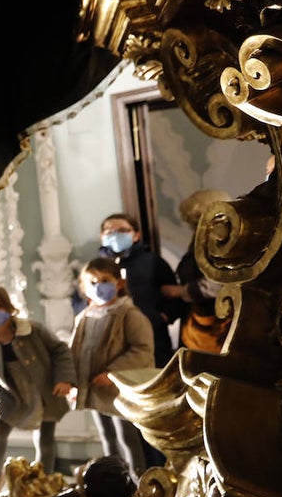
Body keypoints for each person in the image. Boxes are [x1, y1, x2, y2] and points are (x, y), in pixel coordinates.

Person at [0, 285, 75, 489]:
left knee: (45, 437)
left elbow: (60, 350)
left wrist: (64, 379)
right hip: (13, 396)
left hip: (44, 391)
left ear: (7, 307)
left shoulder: (32, 330)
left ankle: (42, 481)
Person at [70, 257, 155, 477]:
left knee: (126, 437)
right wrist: (73, 383)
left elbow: (142, 350)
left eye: (105, 280)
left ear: (118, 283)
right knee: (106, 436)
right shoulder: (84, 317)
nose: (99, 286)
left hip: (119, 390)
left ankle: (138, 484)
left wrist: (113, 373)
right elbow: (75, 352)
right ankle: (115, 482)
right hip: (95, 389)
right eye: (93, 282)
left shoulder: (129, 315)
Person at [97, 212, 185, 369]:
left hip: (153, 337)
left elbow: (174, 295)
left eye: (122, 231)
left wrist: (162, 317)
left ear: (136, 235)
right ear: (101, 236)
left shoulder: (152, 261)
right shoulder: (97, 267)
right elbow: (83, 297)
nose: (115, 235)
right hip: (110, 338)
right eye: (109, 231)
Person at [161, 189, 232, 353]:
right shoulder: (198, 240)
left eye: (195, 218)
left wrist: (181, 291)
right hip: (195, 320)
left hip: (215, 324)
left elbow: (220, 281)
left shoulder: (220, 242)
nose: (192, 224)